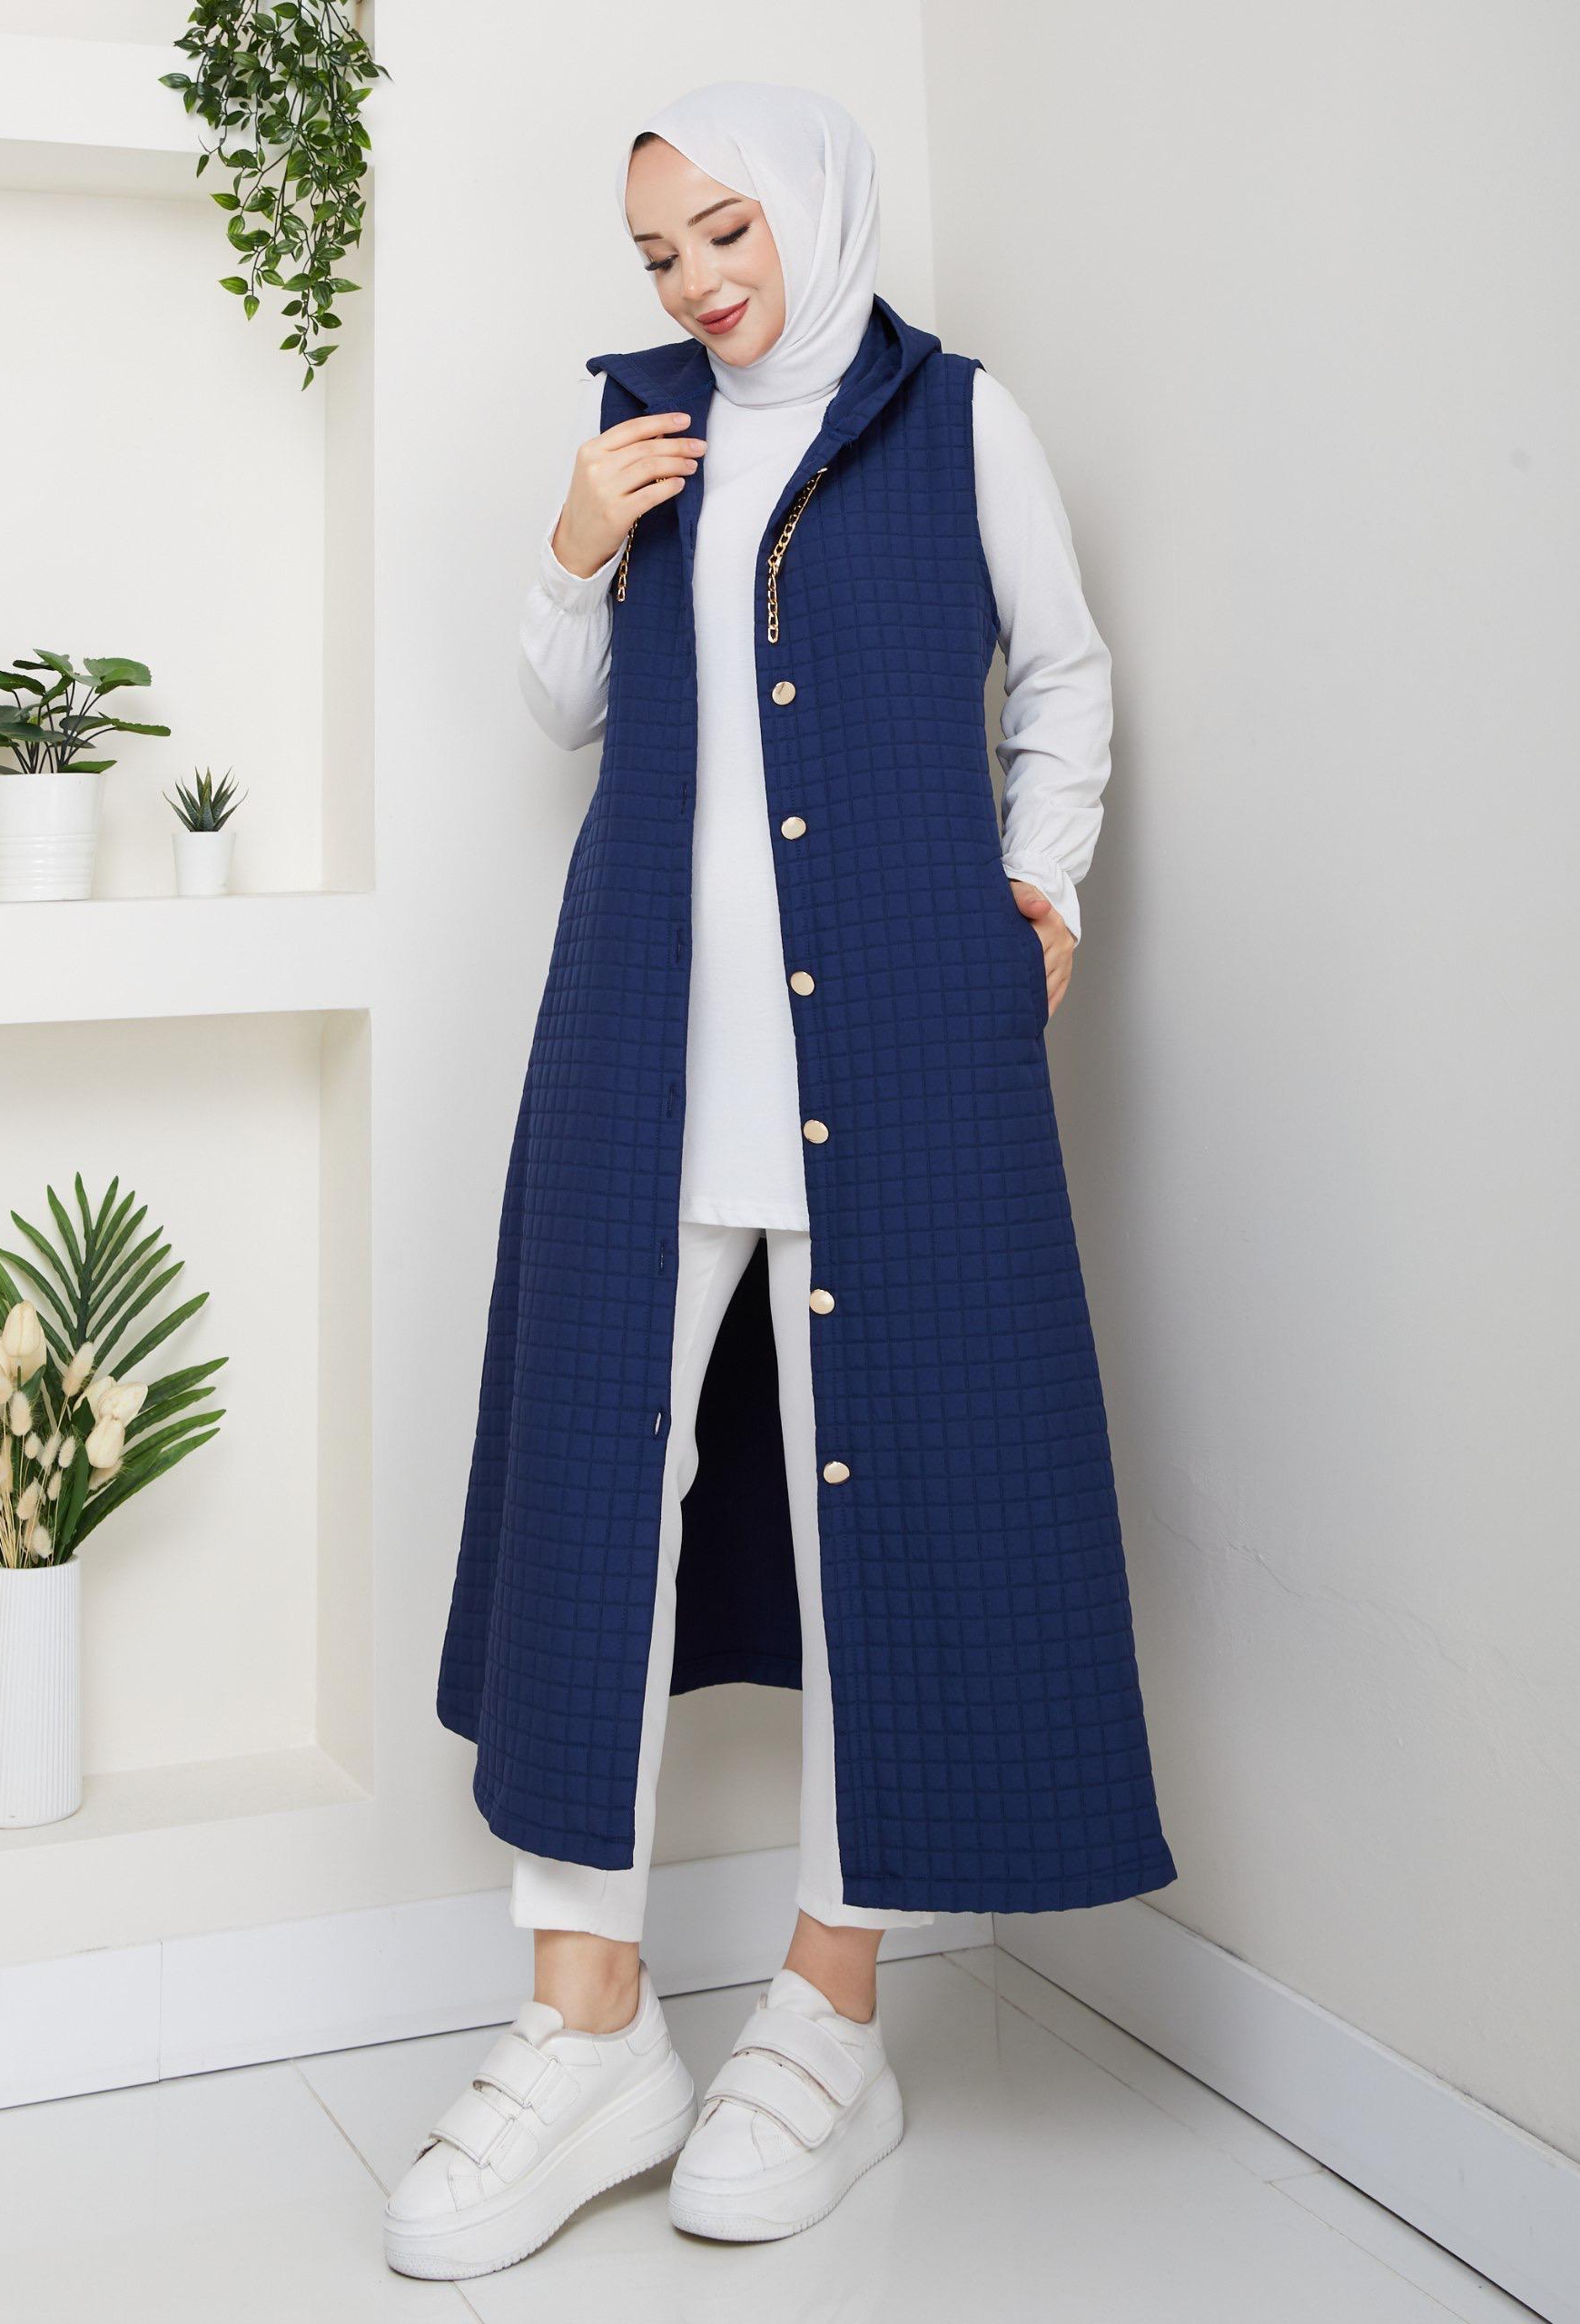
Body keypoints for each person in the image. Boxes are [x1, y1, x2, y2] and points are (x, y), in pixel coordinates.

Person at [390, 81, 1177, 2281]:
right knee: (592, 1500)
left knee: (885, 1514)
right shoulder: (641, 429)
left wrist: (1042, 880)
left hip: (901, 1056)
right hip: (647, 1049)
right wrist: (571, 544)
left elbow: (1068, 675)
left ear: (815, 211)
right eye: (662, 254)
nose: (700, 281)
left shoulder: (957, 421)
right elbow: (564, 709)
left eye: (726, 232)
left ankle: (832, 2015)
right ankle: (586, 2022)